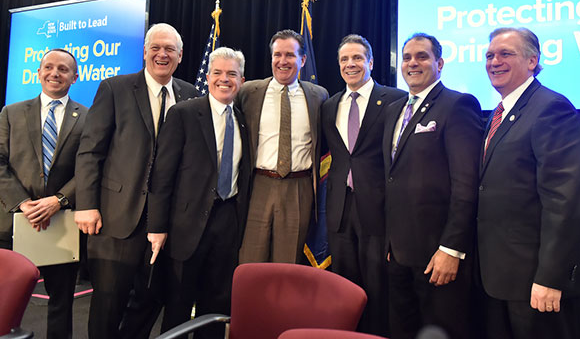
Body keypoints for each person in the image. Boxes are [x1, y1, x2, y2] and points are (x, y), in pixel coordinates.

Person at [74, 23, 198, 339]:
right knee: (108, 303)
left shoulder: (191, 94)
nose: (162, 54)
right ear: (144, 52)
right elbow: (90, 150)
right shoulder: (114, 88)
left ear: (180, 55)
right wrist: (86, 205)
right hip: (116, 217)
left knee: (151, 300)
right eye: (155, 47)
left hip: (166, 221)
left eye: (169, 49)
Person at [477, 27, 580, 339]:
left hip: (536, 282)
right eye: (490, 55)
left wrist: (550, 278)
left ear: (532, 61)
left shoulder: (550, 108)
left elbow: (564, 201)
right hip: (500, 276)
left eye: (505, 54)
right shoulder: (500, 113)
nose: (494, 61)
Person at [383, 33, 483, 339]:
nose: (412, 63)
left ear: (439, 63)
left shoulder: (458, 105)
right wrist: (390, 243)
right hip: (399, 254)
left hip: (438, 256)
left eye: (422, 56)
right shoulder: (394, 109)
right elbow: (393, 178)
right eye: (407, 57)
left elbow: (466, 185)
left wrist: (451, 249)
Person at [146, 47, 251, 337]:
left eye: (231, 74)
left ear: (241, 80)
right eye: (217, 73)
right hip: (186, 226)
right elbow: (162, 175)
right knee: (178, 307)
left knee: (216, 307)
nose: (224, 79)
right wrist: (157, 227)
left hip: (228, 223)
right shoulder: (184, 114)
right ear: (207, 77)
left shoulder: (243, 120)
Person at [0, 49, 87, 339]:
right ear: (38, 73)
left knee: (61, 304)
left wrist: (59, 200)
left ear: (75, 77)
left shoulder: (88, 117)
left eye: (63, 69)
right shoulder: (11, 113)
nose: (54, 73)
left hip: (61, 224)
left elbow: (90, 168)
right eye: (48, 67)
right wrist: (23, 203)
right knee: (4, 302)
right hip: (12, 223)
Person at [322, 34, 405, 336]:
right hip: (340, 210)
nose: (350, 64)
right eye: (344, 59)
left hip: (378, 209)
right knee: (344, 289)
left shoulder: (395, 99)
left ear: (370, 62)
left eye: (357, 58)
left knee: (377, 290)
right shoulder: (329, 105)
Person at [238, 29, 328, 264]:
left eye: (290, 55)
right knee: (250, 260)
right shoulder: (249, 93)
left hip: (299, 189)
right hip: (257, 186)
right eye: (277, 55)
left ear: (303, 60)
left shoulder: (318, 96)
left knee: (288, 264)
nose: (282, 61)